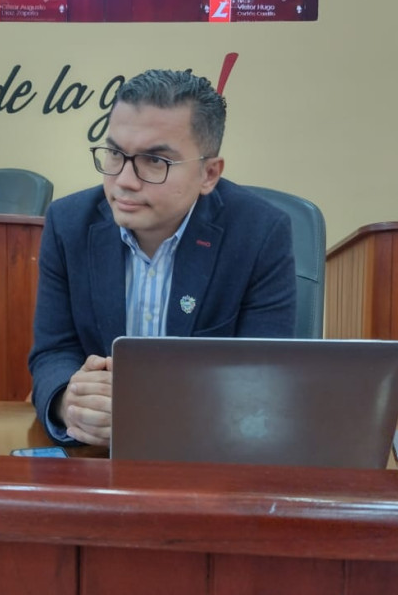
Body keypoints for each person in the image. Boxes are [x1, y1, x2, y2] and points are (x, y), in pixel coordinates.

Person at [29, 69, 297, 447]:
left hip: (209, 451)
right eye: (115, 154)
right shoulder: (68, 223)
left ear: (208, 174)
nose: (124, 179)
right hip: (97, 457)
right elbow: (53, 351)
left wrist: (151, 413)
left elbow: (263, 378)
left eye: (155, 161)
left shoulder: (259, 232)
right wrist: (67, 402)